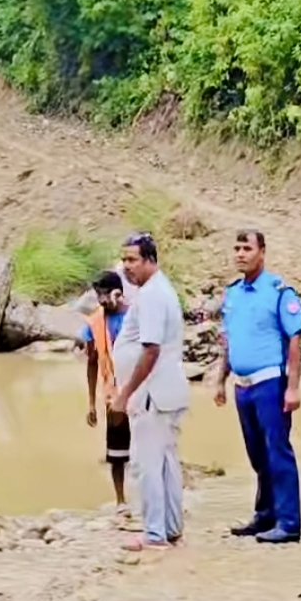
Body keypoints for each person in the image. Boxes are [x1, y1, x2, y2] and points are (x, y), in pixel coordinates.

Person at [214, 229, 301, 545]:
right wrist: (220, 380)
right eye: (236, 247)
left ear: (262, 252)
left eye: (247, 248)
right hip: (242, 385)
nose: (240, 253)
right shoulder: (233, 293)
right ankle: (265, 514)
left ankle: (289, 522)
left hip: (270, 381)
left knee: (277, 451)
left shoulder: (279, 291)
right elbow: (230, 340)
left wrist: (293, 387)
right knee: (257, 454)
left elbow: (294, 340)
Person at [109, 233, 189, 551]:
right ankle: (170, 527)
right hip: (163, 391)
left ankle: (155, 532)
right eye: (124, 259)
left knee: (147, 463)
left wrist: (125, 392)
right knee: (166, 460)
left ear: (150, 260)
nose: (127, 266)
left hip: (152, 394)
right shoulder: (154, 291)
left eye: (133, 260)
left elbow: (151, 350)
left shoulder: (154, 295)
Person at [80, 270, 132, 520]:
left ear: (117, 292)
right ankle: (121, 501)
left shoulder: (135, 316)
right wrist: (91, 402)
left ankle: (152, 497)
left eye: (104, 294)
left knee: (147, 448)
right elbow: (92, 360)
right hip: (113, 394)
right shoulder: (95, 322)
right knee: (116, 452)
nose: (100, 300)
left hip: (140, 391)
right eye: (97, 295)